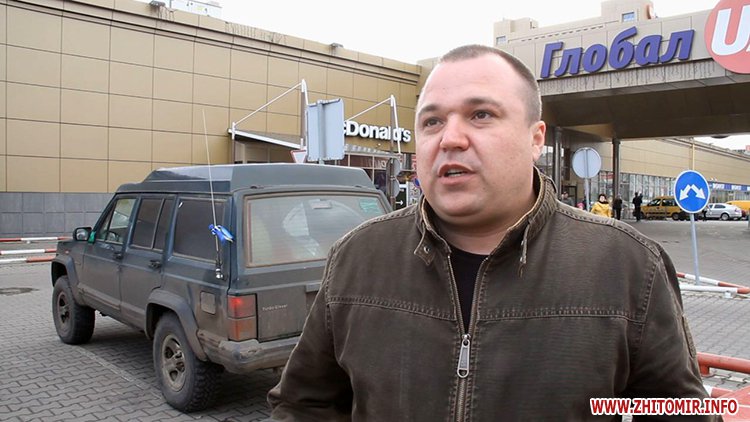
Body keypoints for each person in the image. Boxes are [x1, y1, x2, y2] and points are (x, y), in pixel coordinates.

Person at [267, 45, 709, 420]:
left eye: (480, 114)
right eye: (432, 122)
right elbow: (303, 405)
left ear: (536, 138)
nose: (450, 138)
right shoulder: (358, 257)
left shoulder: (629, 266)